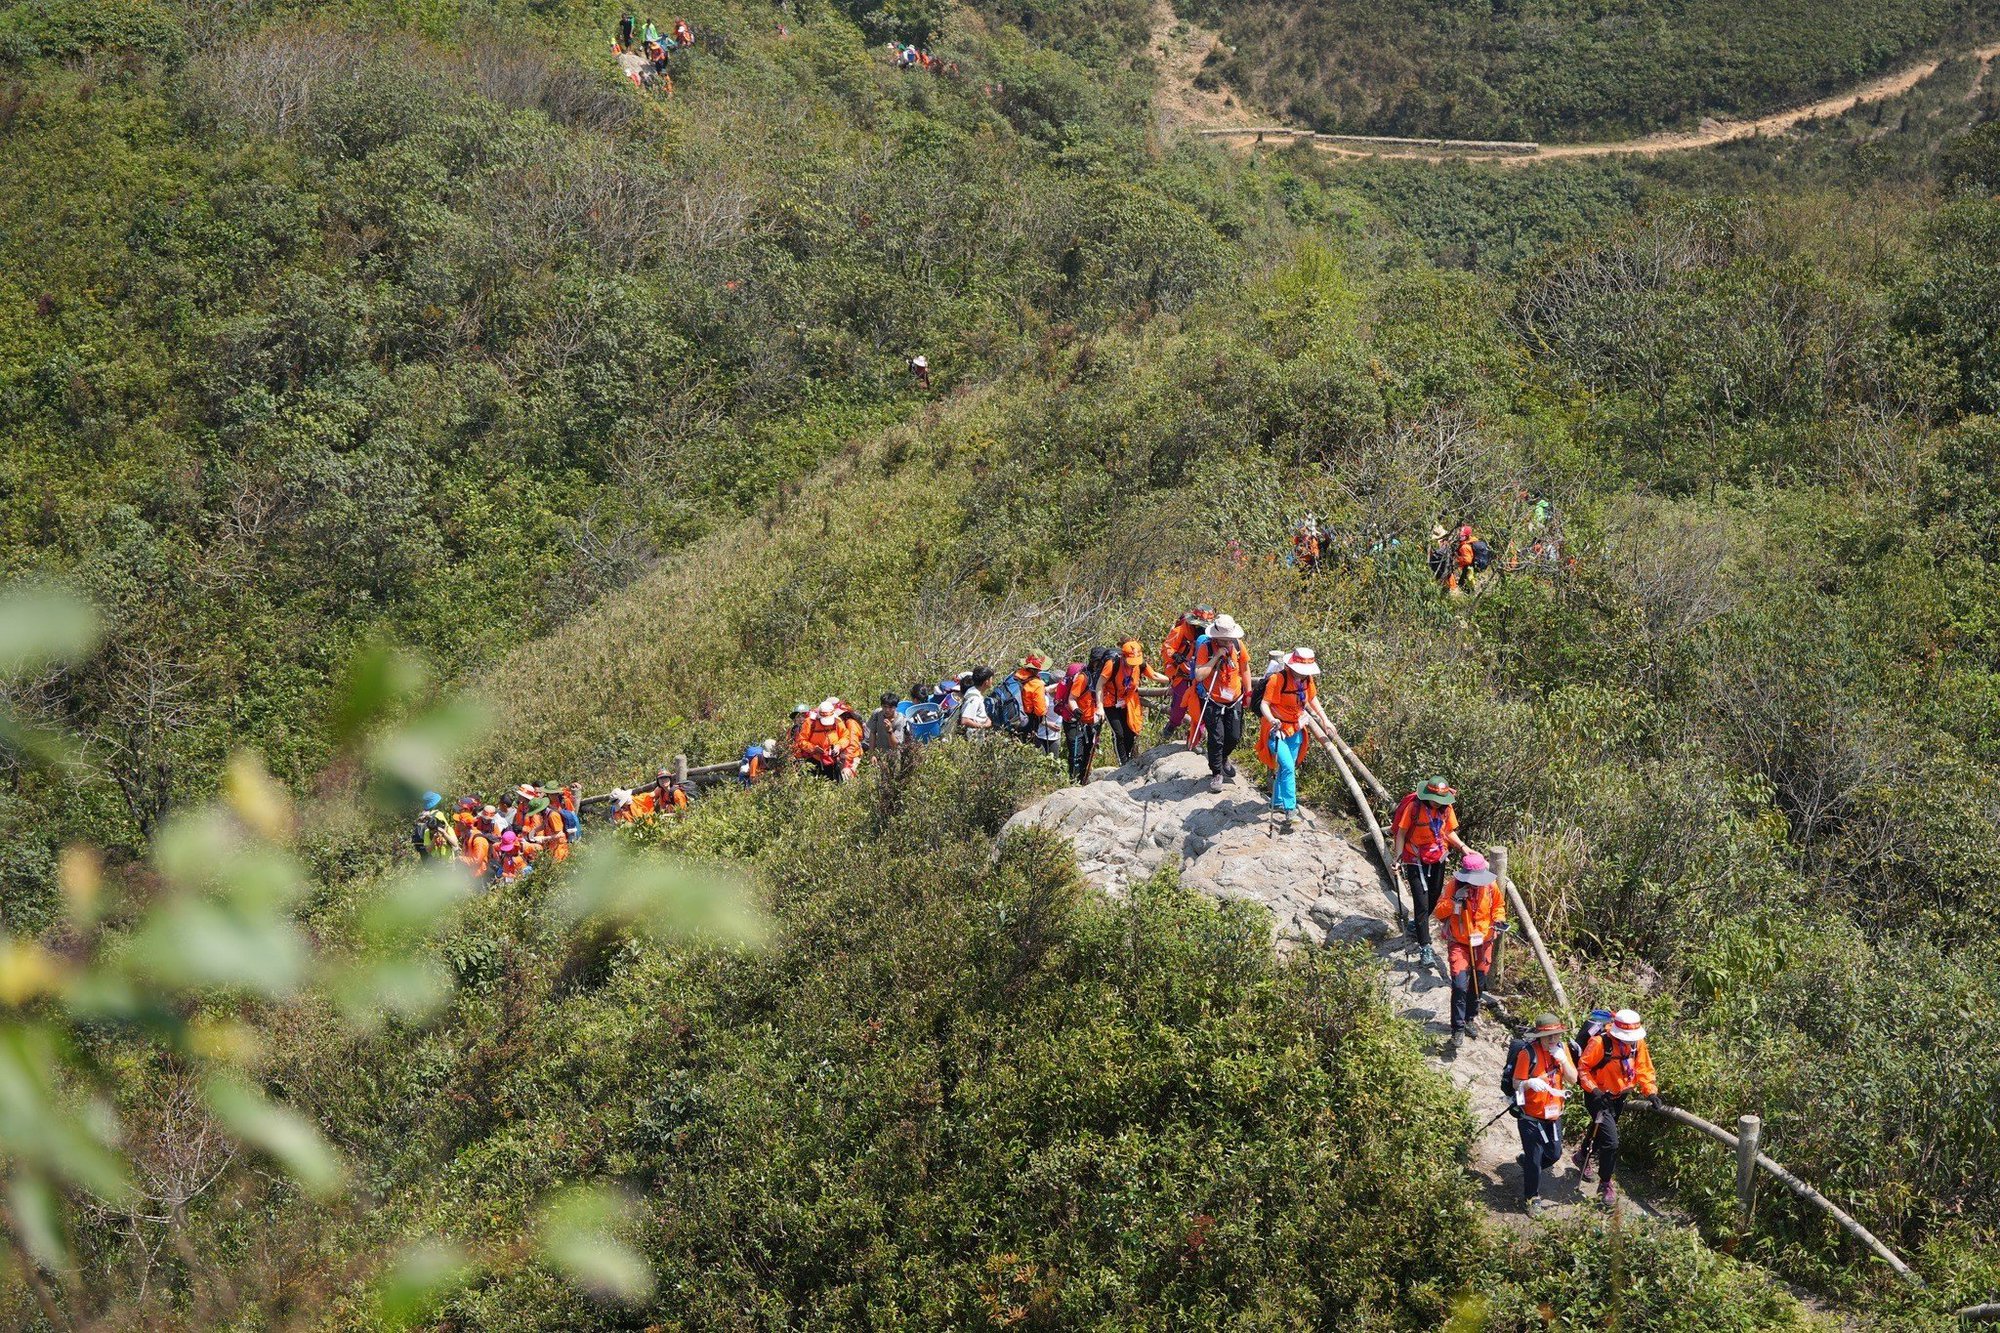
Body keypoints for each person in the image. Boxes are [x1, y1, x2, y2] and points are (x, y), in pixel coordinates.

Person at [1575, 1008, 1660, 1207]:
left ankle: (1581, 1156)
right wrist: (1594, 1091)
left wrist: (1651, 1092)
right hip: (1598, 1097)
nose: (1630, 1040)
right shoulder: (1599, 1043)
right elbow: (1583, 1069)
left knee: (1601, 1132)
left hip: (1619, 1097)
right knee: (1611, 1142)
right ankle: (1605, 1183)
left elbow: (1644, 1069)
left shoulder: (1638, 1043)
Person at [1255, 648, 1333, 830]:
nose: (1303, 674)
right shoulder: (1278, 679)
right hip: (1277, 730)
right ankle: (1291, 809)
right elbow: (1264, 704)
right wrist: (1272, 719)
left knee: (1287, 766)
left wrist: (1325, 719)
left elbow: (1312, 699)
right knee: (1288, 767)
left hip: (1296, 729)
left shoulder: (1307, 680)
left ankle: (1277, 802)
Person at [1393, 777, 1467, 967]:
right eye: (1436, 800)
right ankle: (1425, 948)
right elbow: (1401, 833)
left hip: (1438, 858)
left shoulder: (1446, 809)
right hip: (1414, 858)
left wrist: (1463, 848)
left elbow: (1449, 832)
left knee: (1433, 898)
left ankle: (1417, 925)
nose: (1439, 804)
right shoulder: (1414, 808)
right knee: (1421, 902)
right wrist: (1398, 857)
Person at [1433, 851, 1506, 1044]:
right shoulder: (1453, 886)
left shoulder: (1491, 887)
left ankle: (1469, 1018)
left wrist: (1499, 920)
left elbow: (1498, 906)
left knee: (1478, 982)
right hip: (1459, 943)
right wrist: (1455, 900)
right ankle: (1457, 1027)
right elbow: (1439, 913)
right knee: (1459, 985)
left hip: (1483, 942)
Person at [1512, 1014, 1577, 1218]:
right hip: (1530, 1116)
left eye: (1556, 1035)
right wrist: (1529, 1083)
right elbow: (1516, 1083)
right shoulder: (1527, 1053)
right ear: (1539, 1036)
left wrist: (1563, 1060)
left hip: (1554, 1114)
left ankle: (1530, 1165)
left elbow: (1573, 1080)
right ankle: (1531, 1198)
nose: (1552, 1040)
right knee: (1535, 1156)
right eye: (1548, 1036)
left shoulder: (1562, 1049)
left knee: (1554, 1154)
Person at [1190, 614, 1251, 792]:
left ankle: (1223, 758)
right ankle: (1216, 772)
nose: (1227, 642)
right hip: (1213, 700)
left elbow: (1245, 668)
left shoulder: (1238, 646)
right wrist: (1216, 656)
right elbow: (1200, 675)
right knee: (1217, 738)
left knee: (1234, 736)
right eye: (1223, 639)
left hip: (1235, 699)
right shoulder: (1206, 648)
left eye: (1229, 639)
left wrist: (1247, 692)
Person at [1098, 639, 1166, 765]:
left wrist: (1174, 680)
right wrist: (1100, 707)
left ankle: (1128, 759)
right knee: (1119, 733)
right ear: (1123, 657)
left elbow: (1154, 675)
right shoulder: (1112, 664)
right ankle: (1122, 763)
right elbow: (1099, 685)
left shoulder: (1139, 664)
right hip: (1110, 702)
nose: (1133, 665)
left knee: (1130, 732)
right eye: (1131, 662)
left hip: (1128, 701)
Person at [1159, 606, 1214, 741]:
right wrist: (1175, 655)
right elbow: (1167, 648)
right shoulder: (1181, 630)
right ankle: (1173, 724)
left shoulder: (1211, 634)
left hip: (1201, 673)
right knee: (1179, 707)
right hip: (1182, 674)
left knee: (1199, 708)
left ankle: (1195, 739)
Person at [1064, 650, 1106, 782]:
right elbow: (1071, 698)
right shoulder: (1083, 678)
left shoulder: (1101, 677)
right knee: (1077, 754)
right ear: (1094, 662)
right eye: (1100, 662)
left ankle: (1083, 780)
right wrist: (1076, 710)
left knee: (1088, 752)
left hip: (1092, 721)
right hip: (1075, 721)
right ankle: (1074, 782)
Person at [866, 691, 914, 772]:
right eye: (884, 706)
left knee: (893, 777)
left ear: (895, 707)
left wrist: (890, 731)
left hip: (894, 756)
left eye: (891, 708)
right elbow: (872, 733)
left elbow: (896, 746)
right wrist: (872, 754)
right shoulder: (877, 714)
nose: (887, 710)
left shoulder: (900, 720)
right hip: (880, 752)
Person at [412, 792, 458, 860]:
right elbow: (445, 827)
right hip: (444, 854)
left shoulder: (422, 815)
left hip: (430, 853)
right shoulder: (438, 814)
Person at [958, 667, 995, 735]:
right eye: (991, 679)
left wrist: (987, 718)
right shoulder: (974, 699)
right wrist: (984, 726)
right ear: (986, 682)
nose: (992, 681)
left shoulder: (975, 692)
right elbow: (965, 720)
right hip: (973, 736)